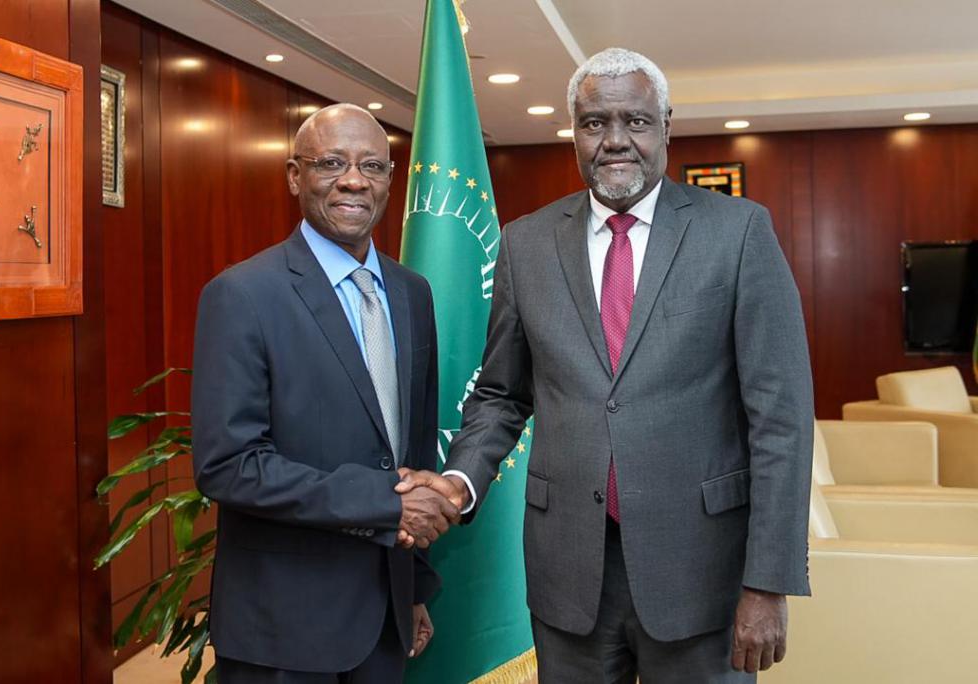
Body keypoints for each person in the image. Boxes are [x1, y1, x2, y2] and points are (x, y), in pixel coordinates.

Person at [397, 48, 814, 683]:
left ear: (665, 126)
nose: (615, 140)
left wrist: (768, 581)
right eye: (595, 123)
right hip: (569, 575)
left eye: (636, 121)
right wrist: (459, 481)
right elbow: (503, 393)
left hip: (702, 574)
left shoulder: (738, 233)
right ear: (574, 131)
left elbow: (781, 421)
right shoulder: (526, 243)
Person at [192, 103, 459, 683]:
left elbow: (412, 450)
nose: (354, 181)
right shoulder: (241, 295)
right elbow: (229, 466)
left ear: (390, 179)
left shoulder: (413, 293)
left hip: (386, 616)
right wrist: (384, 502)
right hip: (284, 628)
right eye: (331, 163)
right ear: (295, 176)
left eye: (372, 166)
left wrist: (415, 585)